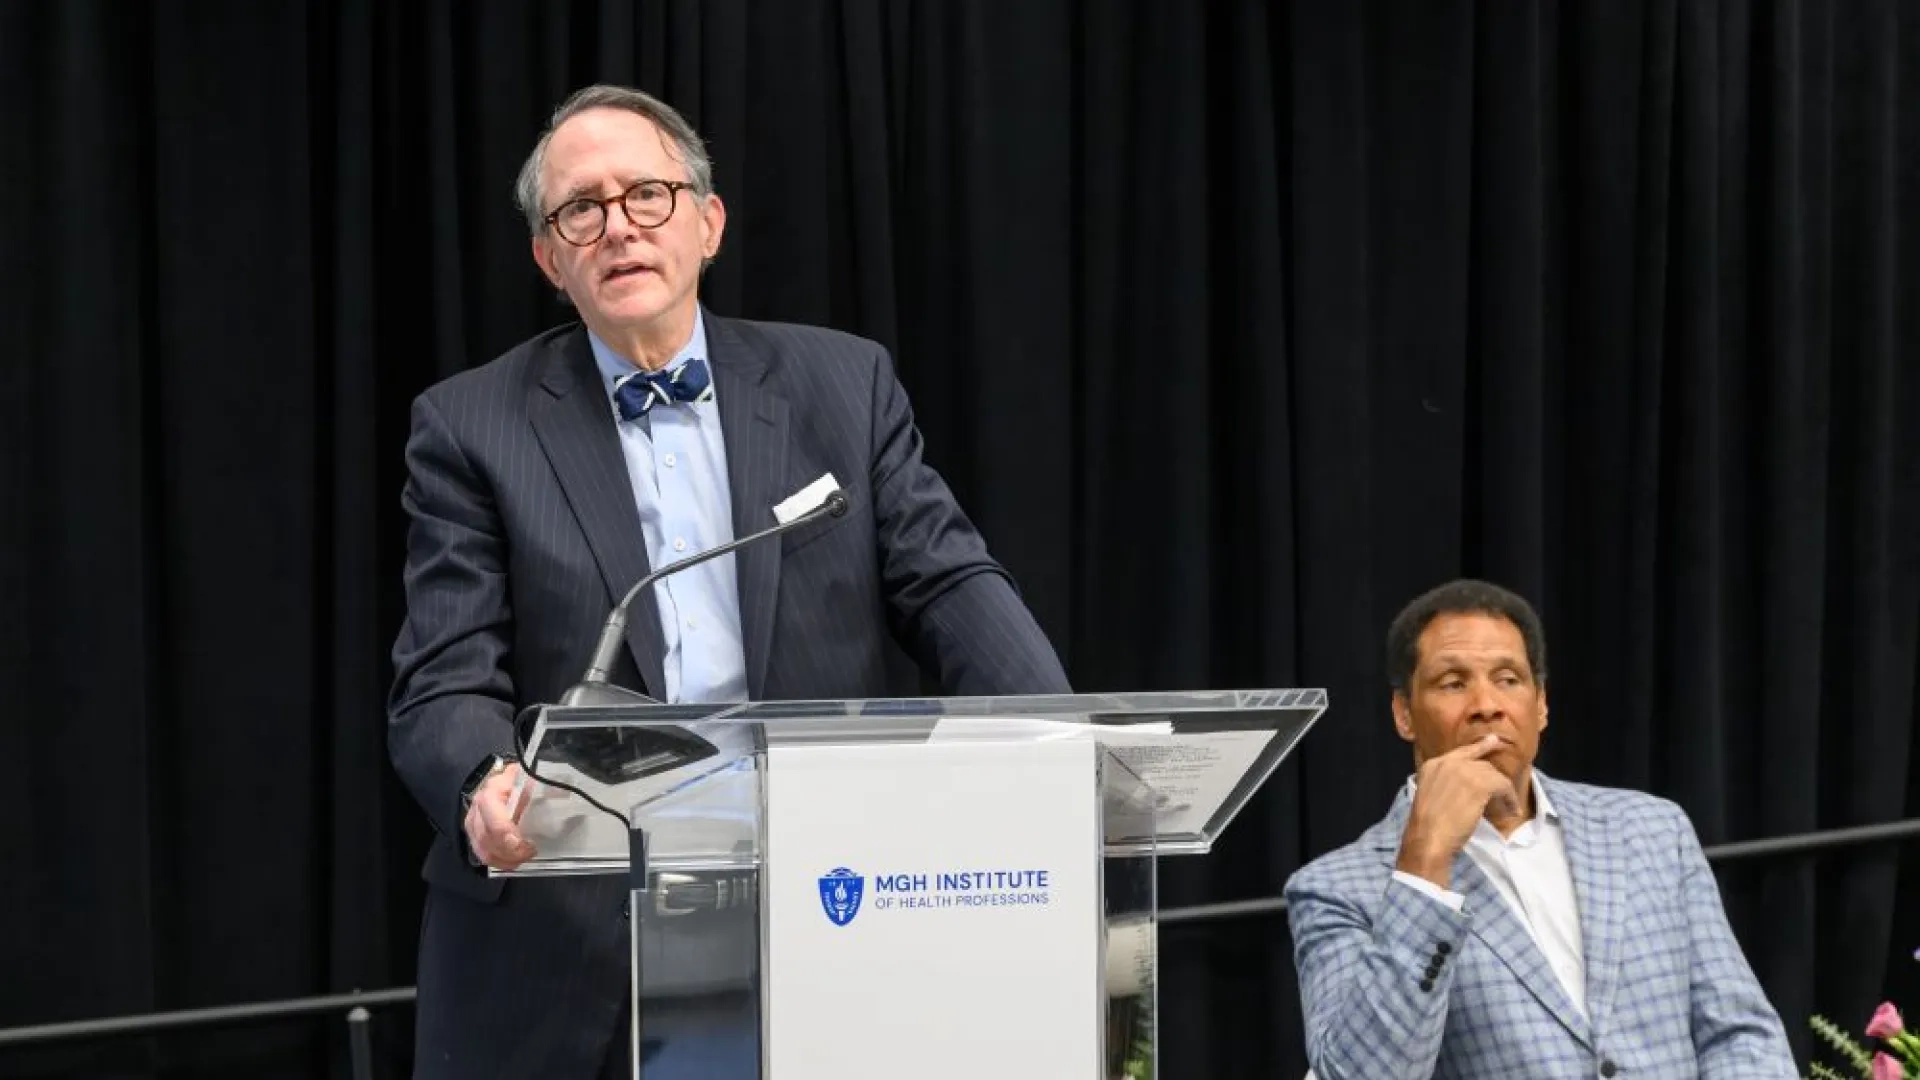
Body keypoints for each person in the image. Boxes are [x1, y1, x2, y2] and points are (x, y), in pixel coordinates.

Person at [386, 84, 1071, 1080]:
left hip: (823, 901)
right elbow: (444, 678)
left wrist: (1062, 739)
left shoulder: (842, 384)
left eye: (648, 196)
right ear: (549, 258)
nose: (618, 225)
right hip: (573, 935)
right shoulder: (472, 427)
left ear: (707, 224)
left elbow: (949, 581)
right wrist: (486, 782)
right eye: (582, 208)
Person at [1284, 579, 1797, 1079]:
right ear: (1404, 715)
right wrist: (1423, 869)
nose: (1487, 704)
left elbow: (1739, 1032)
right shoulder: (1335, 890)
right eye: (1453, 682)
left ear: (1542, 703)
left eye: (1508, 678)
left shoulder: (1652, 829)